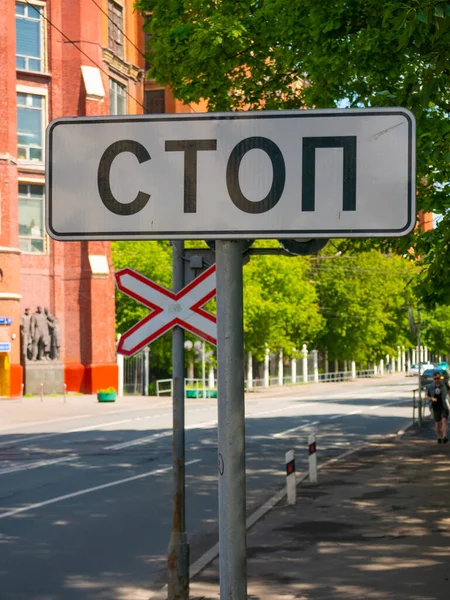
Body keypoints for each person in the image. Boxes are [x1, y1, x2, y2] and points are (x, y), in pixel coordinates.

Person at [426, 371, 449, 443]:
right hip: (435, 406)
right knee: (437, 423)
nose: (437, 380)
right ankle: (439, 437)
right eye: (435, 378)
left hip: (444, 405)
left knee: (444, 420)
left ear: (440, 378)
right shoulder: (430, 387)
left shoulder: (444, 384)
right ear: (433, 379)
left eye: (438, 378)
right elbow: (426, 396)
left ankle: (444, 437)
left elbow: (449, 391)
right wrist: (431, 399)